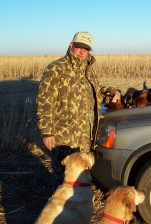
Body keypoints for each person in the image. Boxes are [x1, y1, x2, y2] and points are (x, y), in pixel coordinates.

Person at [37, 31, 120, 187]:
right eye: (79, 47)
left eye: (86, 48)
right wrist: (47, 132)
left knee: (82, 175)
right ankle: (61, 209)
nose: (82, 52)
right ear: (71, 45)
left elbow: (95, 90)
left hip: (86, 136)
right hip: (65, 137)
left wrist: (110, 91)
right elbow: (45, 102)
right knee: (64, 179)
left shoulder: (87, 70)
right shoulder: (56, 68)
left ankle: (79, 206)